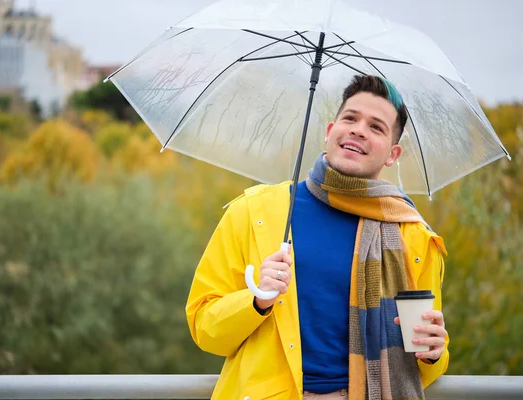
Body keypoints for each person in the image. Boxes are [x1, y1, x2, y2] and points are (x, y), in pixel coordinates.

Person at [186, 75, 449, 400]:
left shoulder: (415, 237)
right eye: (350, 118)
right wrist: (256, 300)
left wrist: (435, 353)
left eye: (376, 127)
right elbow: (203, 326)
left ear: (393, 154)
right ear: (330, 131)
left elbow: (421, 367)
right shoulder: (253, 212)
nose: (358, 129)